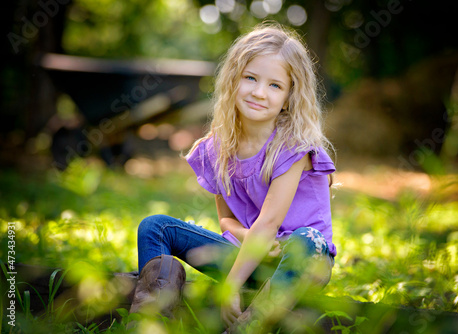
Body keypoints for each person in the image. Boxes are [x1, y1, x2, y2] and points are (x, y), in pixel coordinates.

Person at [130, 23, 337, 332]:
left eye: (274, 85)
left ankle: (247, 327)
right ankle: (152, 320)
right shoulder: (217, 148)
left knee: (307, 241)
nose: (258, 92)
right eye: (250, 78)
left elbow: (268, 224)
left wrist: (231, 286)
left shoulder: (294, 147)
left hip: (300, 260)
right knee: (155, 227)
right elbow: (226, 221)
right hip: (248, 256)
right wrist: (250, 240)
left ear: (290, 96)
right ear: (233, 79)